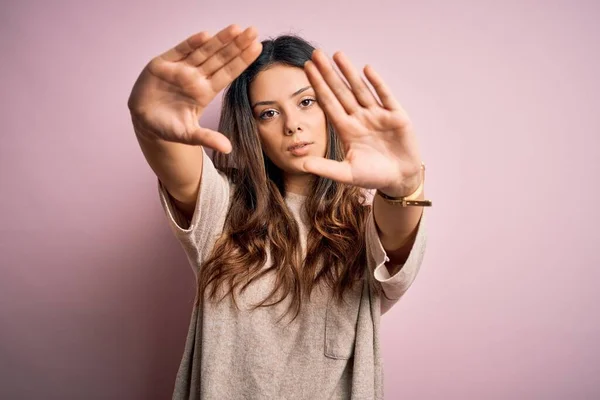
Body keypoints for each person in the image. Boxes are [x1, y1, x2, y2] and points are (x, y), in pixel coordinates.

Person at [128, 24, 430, 400]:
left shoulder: (370, 221)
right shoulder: (223, 208)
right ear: (251, 128)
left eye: (306, 102)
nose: (293, 125)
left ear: (330, 109)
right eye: (268, 113)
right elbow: (173, 155)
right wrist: (148, 121)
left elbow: (398, 235)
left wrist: (403, 185)